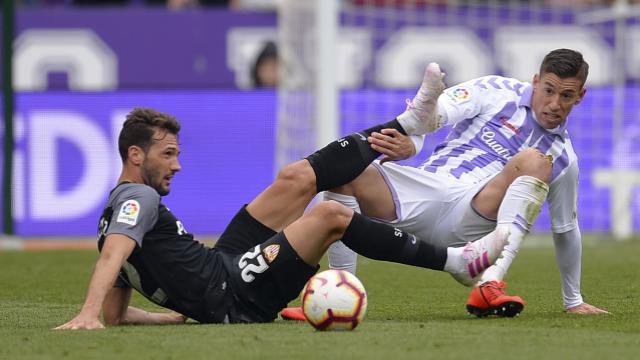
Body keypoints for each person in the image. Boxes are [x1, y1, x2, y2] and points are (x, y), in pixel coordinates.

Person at [54, 67, 507, 329]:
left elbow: (116, 307)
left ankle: (408, 122)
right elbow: (113, 263)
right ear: (135, 155)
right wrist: (87, 313)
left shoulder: (114, 213)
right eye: (167, 154)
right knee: (330, 213)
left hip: (222, 263)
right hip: (234, 291)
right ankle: (457, 262)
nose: (177, 165)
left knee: (295, 178)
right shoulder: (138, 198)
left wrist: (171, 317)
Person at [284, 48, 609, 320]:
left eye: (566, 96)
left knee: (535, 160)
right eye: (549, 90)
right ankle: (341, 295)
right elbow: (439, 115)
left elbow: (566, 229)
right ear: (536, 81)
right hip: (427, 187)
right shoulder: (496, 90)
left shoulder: (564, 158)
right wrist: (414, 145)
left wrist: (573, 299)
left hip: (473, 221)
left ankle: (490, 283)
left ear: (580, 97)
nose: (554, 103)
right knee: (345, 171)